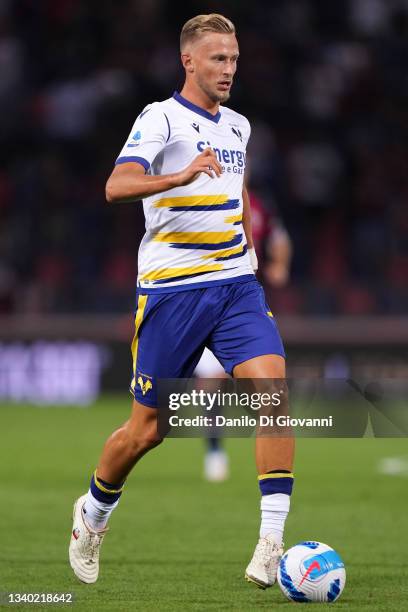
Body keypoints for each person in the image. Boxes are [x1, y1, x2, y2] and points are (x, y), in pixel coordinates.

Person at [69, 13, 295, 590]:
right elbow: (116, 185)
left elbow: (236, 195)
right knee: (146, 431)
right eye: (218, 59)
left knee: (272, 390)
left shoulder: (240, 127)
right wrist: (178, 177)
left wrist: (249, 242)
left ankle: (272, 540)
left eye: (235, 60)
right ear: (188, 61)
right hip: (172, 291)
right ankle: (93, 513)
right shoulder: (161, 118)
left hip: (236, 285)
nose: (229, 70)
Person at [198, 192, 292, 482]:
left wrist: (280, 263)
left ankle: (267, 449)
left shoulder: (262, 205)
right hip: (205, 300)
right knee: (212, 382)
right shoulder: (201, 196)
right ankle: (214, 451)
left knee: (260, 390)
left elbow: (280, 239)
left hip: (246, 304)